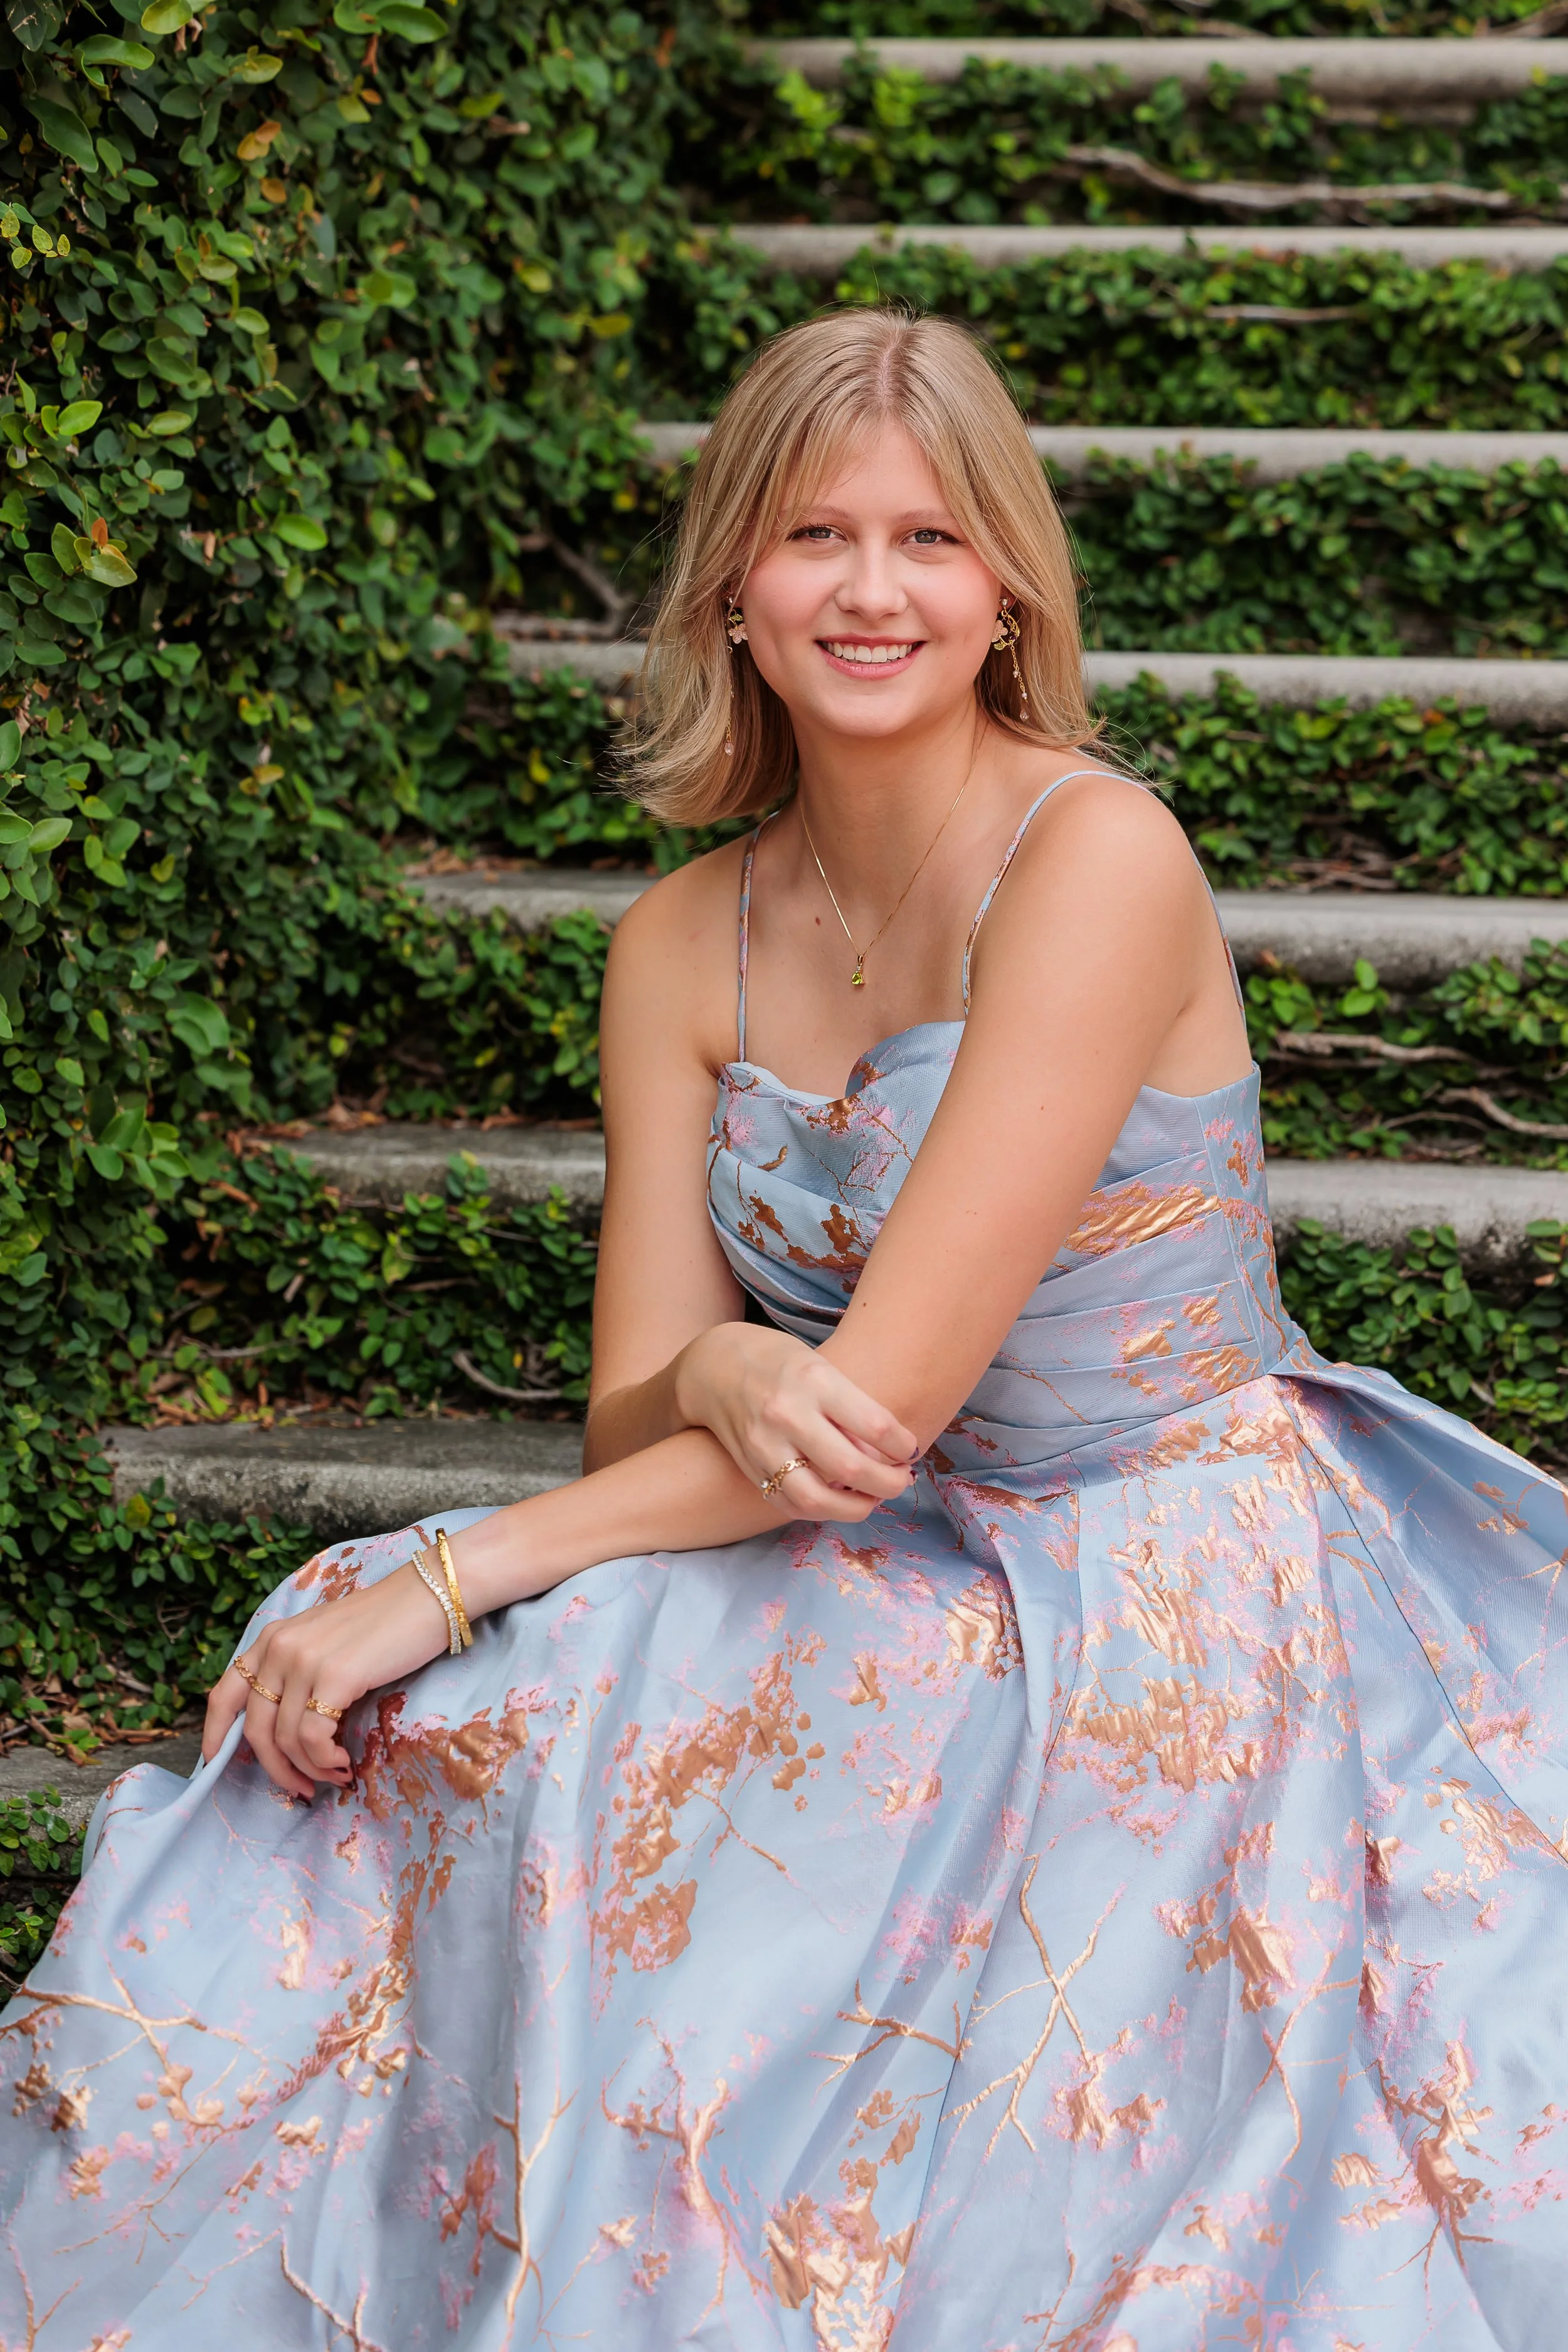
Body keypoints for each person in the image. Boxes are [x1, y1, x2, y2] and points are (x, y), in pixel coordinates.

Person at [1, 309, 1563, 2351]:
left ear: (1005, 586)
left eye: (928, 537)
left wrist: (450, 1570)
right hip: (852, 1527)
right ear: (732, 586)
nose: (871, 587)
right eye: (816, 533)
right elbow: (645, 1411)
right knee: (497, 1721)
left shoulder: (1096, 858)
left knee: (543, 1687)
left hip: (1151, 1547)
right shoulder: (678, 938)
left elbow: (884, 1401)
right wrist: (718, 1372)